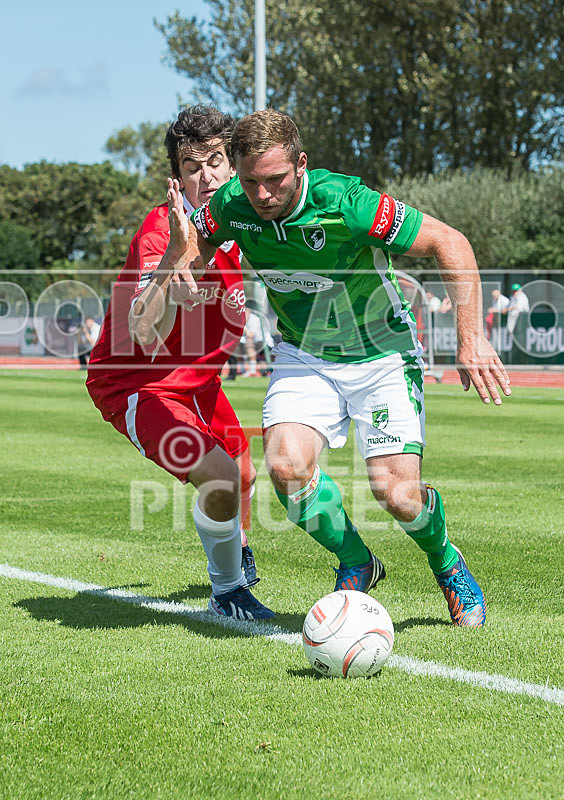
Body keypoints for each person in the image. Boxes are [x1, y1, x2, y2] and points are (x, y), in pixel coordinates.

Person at [165, 109, 512, 628]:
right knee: (284, 467)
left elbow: (449, 242)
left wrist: (471, 338)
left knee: (396, 494)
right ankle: (356, 560)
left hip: (383, 355)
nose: (263, 195)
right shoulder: (229, 204)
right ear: (237, 172)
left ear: (301, 165)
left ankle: (447, 563)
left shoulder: (347, 203)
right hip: (306, 355)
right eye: (252, 181)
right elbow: (199, 237)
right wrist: (184, 261)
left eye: (276, 180)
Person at [86, 105, 274, 621]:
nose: (206, 175)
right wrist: (174, 258)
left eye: (216, 161)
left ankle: (232, 553)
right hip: (135, 384)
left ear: (233, 166)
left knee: (242, 473)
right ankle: (228, 591)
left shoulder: (243, 219)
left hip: (196, 381)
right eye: (193, 167)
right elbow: (143, 333)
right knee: (218, 478)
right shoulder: (158, 233)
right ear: (179, 179)